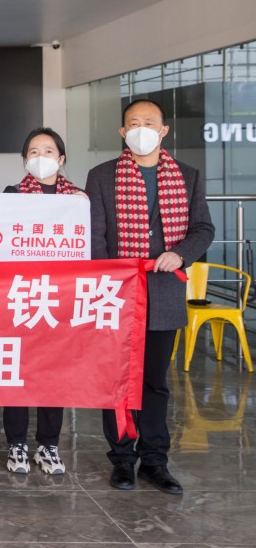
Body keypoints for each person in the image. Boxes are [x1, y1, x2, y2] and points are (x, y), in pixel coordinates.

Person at [86, 98, 213, 495]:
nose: (141, 129)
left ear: (163, 131)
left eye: (149, 122)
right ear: (123, 132)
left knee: (155, 383)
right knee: (118, 381)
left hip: (164, 292)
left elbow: (203, 228)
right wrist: (111, 278)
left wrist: (180, 254)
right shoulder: (102, 176)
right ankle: (122, 458)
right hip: (118, 295)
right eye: (133, 123)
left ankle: (155, 460)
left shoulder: (187, 176)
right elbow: (96, 237)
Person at [0, 127, 85, 476]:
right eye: (33, 151)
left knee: (55, 374)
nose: (40, 157)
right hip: (20, 298)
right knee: (16, 372)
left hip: (61, 300)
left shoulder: (80, 200)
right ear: (24, 159)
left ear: (61, 159)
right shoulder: (9, 195)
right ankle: (16, 444)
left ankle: (48, 445)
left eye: (48, 151)